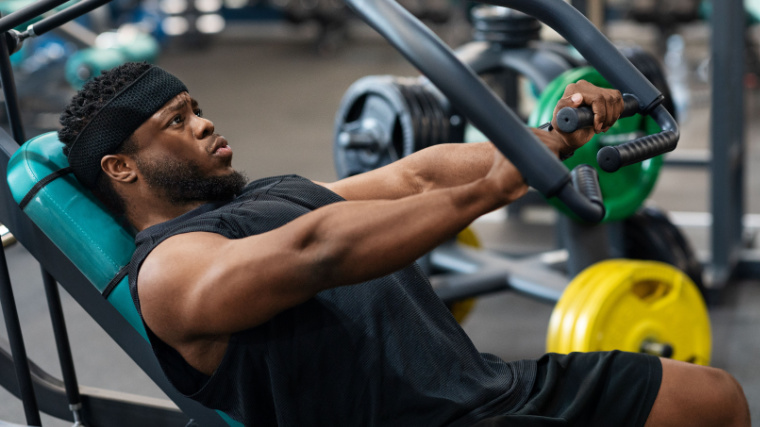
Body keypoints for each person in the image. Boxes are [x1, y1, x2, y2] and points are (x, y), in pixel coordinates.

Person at [58, 62, 749, 426]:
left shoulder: (265, 193)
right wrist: (488, 192)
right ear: (122, 167)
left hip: (489, 389)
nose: (206, 125)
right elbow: (316, 252)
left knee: (713, 400)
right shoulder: (171, 270)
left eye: (198, 109)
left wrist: (551, 137)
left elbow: (414, 173)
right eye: (177, 122)